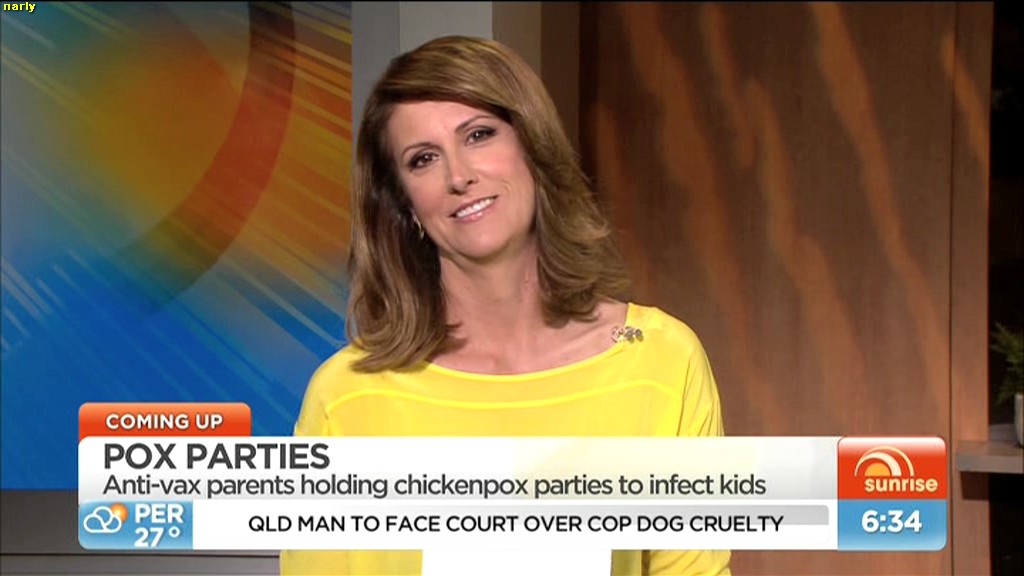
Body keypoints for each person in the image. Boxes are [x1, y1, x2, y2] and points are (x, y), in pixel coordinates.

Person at [280, 35, 730, 576]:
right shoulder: (346, 397)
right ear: (405, 205)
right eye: (423, 159)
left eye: (479, 135)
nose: (458, 176)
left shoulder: (660, 362)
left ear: (532, 148)